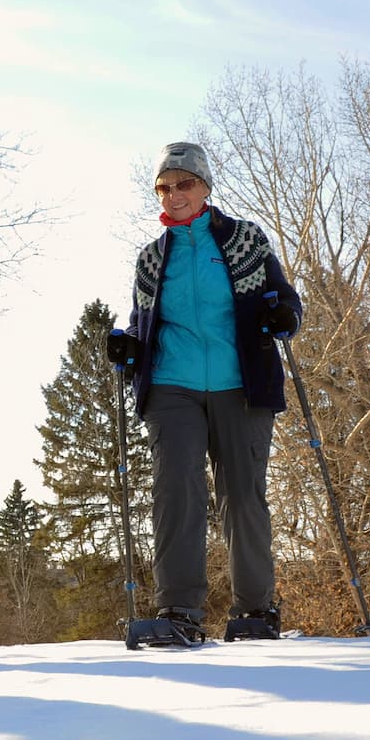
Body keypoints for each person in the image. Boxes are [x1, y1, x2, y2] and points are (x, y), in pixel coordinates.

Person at [106, 142, 302, 641]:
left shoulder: (244, 240)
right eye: (165, 187)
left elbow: (285, 297)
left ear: (205, 187)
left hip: (242, 382)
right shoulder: (151, 259)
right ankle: (178, 611)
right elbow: (142, 323)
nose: (174, 195)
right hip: (174, 385)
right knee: (176, 491)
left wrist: (285, 315)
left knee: (242, 495)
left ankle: (256, 610)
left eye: (184, 184)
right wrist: (129, 346)